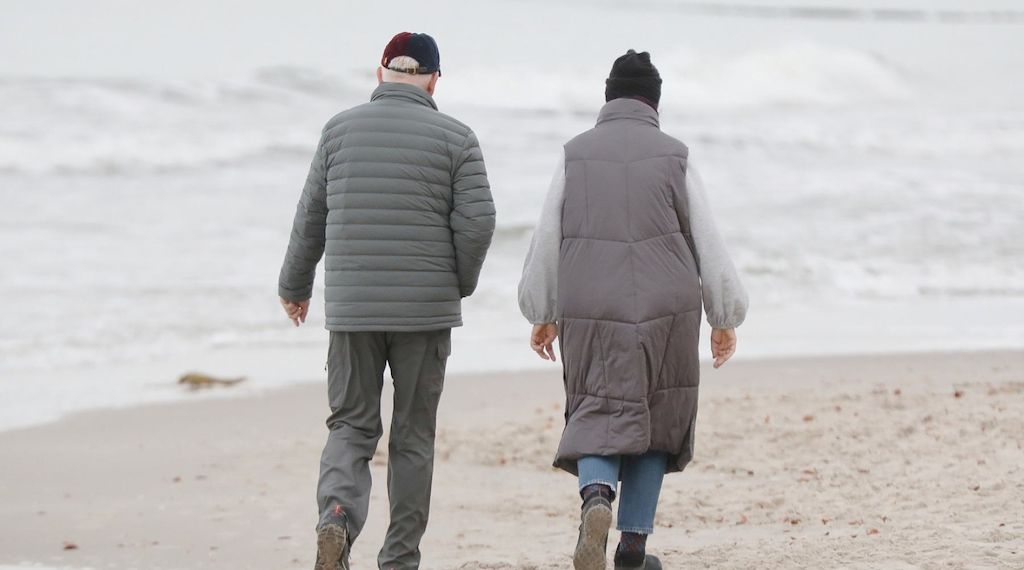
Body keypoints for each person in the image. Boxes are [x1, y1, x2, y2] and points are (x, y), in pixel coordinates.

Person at [518, 49, 748, 570]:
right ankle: (632, 549)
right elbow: (706, 235)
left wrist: (541, 309)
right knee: (656, 416)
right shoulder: (675, 155)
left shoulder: (574, 153)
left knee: (596, 407)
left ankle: (597, 496)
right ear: (654, 102)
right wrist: (725, 316)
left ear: (608, 97)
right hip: (667, 303)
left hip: (589, 300)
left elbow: (547, 233)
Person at [278, 32, 496, 570]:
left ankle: (336, 516)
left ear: (380, 73)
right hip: (425, 314)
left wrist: (295, 287)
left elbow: (310, 217)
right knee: (413, 435)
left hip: (353, 311)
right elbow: (478, 223)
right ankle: (399, 559)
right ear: (434, 80)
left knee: (350, 425)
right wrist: (458, 283)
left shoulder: (338, 131)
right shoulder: (458, 138)